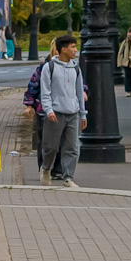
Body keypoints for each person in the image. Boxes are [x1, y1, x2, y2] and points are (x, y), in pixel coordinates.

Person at [39, 34, 87, 187]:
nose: (75, 50)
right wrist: (48, 110)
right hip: (55, 113)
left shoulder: (76, 68)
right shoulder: (49, 67)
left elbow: (79, 92)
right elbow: (45, 91)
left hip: (72, 113)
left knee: (72, 147)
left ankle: (68, 177)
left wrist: (82, 114)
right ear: (63, 49)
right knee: (51, 147)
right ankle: (46, 168)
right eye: (72, 47)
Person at [22, 45, 56, 168]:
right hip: (43, 109)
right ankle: (44, 167)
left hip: (63, 108)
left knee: (61, 140)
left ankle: (58, 169)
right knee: (45, 139)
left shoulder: (71, 66)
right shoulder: (44, 67)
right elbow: (33, 86)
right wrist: (29, 105)